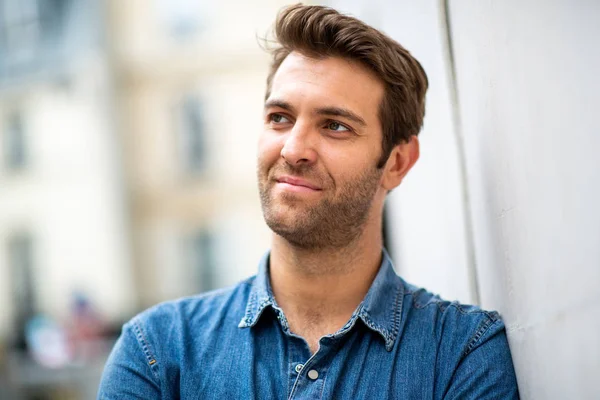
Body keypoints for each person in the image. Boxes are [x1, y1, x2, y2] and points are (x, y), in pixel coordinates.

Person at [98, 5, 519, 399]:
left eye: (335, 126)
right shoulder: (156, 351)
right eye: (279, 118)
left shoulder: (462, 352)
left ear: (397, 162)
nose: (293, 149)